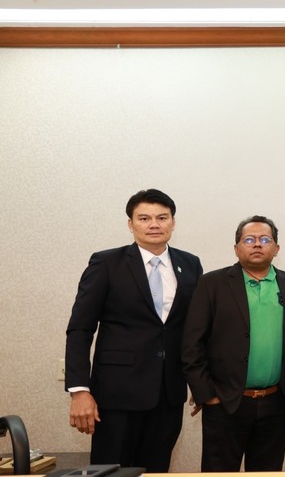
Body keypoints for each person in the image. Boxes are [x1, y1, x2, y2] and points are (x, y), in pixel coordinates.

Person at [65, 189, 203, 472]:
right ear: (131, 224)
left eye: (162, 217)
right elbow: (80, 328)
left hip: (168, 393)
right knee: (110, 470)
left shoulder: (190, 264)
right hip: (117, 394)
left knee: (156, 470)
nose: (154, 224)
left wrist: (201, 382)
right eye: (144, 218)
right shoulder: (106, 263)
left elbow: (197, 329)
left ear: (173, 223)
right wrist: (80, 390)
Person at [181, 215, 285, 471]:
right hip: (225, 403)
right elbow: (192, 344)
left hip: (276, 404)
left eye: (265, 239)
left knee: (268, 474)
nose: (257, 244)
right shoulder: (212, 284)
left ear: (276, 248)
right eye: (249, 239)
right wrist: (207, 395)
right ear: (236, 248)